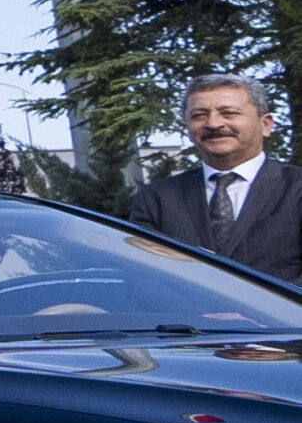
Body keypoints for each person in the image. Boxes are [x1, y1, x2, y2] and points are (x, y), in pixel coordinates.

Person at [124, 76, 298, 277]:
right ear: (188, 128)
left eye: (229, 113)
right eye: (199, 115)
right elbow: (145, 275)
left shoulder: (296, 188)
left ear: (266, 124)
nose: (214, 124)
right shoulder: (157, 198)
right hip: (186, 309)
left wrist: (253, 309)